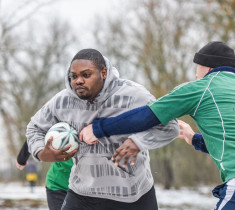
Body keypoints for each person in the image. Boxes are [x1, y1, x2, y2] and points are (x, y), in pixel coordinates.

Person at [80, 41, 235, 210]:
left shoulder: (200, 87)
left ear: (204, 66)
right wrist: (193, 138)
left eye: (197, 67)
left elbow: (147, 116)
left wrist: (99, 129)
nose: (196, 72)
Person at [26, 48, 179, 210]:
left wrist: (137, 142)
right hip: (82, 194)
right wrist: (42, 152)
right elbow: (34, 127)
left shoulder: (134, 96)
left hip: (133, 195)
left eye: (86, 75)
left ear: (103, 73)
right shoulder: (62, 101)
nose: (78, 81)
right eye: (74, 76)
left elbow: (170, 126)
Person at [16, 140, 72, 209]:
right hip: (58, 185)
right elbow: (36, 133)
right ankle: (32, 189)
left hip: (84, 190)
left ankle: (32, 188)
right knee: (31, 183)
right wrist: (22, 158)